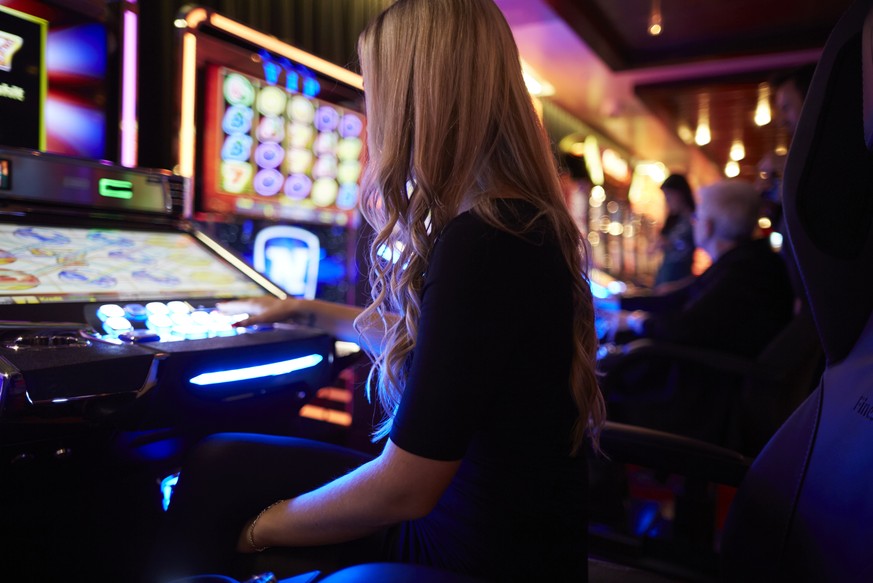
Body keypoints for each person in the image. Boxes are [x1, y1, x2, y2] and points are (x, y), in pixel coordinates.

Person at [154, 1, 606, 581]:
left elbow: (404, 490)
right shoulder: (515, 222)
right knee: (221, 462)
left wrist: (261, 529)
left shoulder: (485, 240)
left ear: (418, 96)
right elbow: (452, 354)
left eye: (376, 89)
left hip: (465, 552)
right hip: (503, 530)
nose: (371, 112)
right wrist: (305, 310)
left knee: (219, 506)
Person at [609, 179, 793, 357]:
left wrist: (636, 321)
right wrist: (618, 303)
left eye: (696, 216)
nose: (693, 222)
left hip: (713, 380)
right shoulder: (744, 261)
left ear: (708, 226)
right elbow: (679, 298)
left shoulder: (745, 271)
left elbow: (686, 327)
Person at [651, 174, 696, 290]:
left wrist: (670, 243)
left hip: (679, 284)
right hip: (664, 280)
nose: (667, 201)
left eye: (669, 196)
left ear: (680, 193)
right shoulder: (673, 221)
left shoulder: (694, 220)